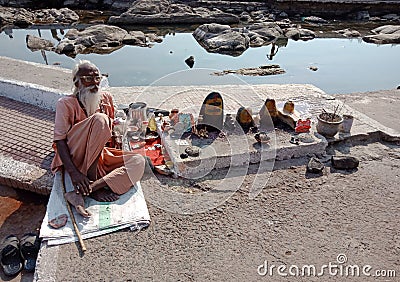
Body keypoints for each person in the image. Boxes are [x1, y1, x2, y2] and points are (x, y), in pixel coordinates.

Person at [51, 60, 145, 217]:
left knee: (138, 162)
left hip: (99, 154)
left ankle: (87, 190)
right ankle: (92, 183)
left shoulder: (106, 98)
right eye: (88, 79)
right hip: (76, 154)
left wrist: (117, 137)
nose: (94, 83)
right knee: (100, 119)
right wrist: (74, 173)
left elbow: (111, 129)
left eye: (97, 78)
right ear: (77, 82)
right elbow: (59, 140)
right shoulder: (66, 104)